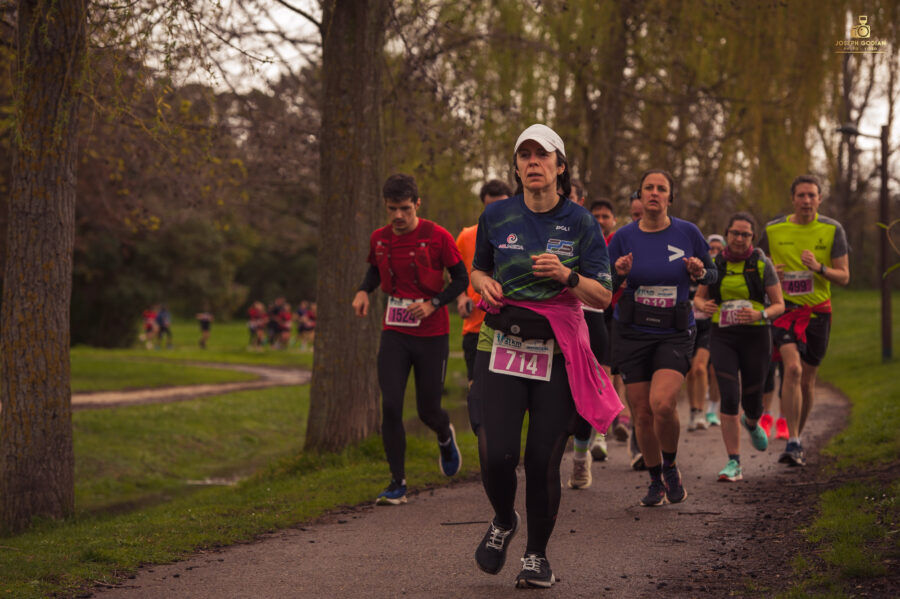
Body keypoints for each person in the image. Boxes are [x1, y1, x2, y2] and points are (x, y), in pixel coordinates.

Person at [469, 124, 618, 588]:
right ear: (516, 167)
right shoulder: (497, 216)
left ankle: (536, 556)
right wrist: (483, 284)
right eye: (525, 155)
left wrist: (567, 276)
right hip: (502, 344)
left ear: (560, 166)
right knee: (496, 453)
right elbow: (478, 269)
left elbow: (603, 295)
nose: (533, 162)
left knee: (540, 459)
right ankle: (503, 519)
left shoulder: (581, 222)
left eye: (543, 154)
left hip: (556, 351)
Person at [352, 173, 468, 506]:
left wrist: (434, 303)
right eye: (392, 209)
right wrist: (363, 291)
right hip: (395, 332)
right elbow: (374, 270)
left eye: (405, 208)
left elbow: (461, 279)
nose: (398, 215)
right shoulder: (379, 238)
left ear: (417, 204)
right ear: (385, 206)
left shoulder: (438, 236)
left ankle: (444, 435)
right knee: (390, 405)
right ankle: (397, 483)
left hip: (432, 334)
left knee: (428, 410)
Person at [608, 169, 717, 507]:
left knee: (663, 404)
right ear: (639, 196)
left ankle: (670, 466)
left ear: (670, 197)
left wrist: (700, 272)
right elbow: (603, 285)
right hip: (633, 331)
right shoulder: (623, 237)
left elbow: (713, 273)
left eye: (661, 188)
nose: (654, 193)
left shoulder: (688, 232)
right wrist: (619, 274)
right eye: (648, 188)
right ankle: (655, 478)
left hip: (673, 331)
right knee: (641, 413)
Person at [759, 174, 849, 466]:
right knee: (793, 369)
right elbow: (754, 268)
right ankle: (793, 440)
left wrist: (819, 268)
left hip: (818, 312)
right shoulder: (773, 229)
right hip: (785, 309)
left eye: (812, 195)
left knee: (808, 379)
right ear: (793, 199)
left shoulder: (833, 229)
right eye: (801, 195)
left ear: (820, 199)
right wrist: (769, 273)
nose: (806, 200)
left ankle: (796, 436)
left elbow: (844, 276)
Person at [694, 212, 785, 481]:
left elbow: (779, 304)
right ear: (727, 234)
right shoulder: (715, 264)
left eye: (745, 234)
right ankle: (734, 462)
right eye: (735, 233)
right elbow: (698, 298)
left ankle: (752, 421)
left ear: (752, 237)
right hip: (723, 335)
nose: (739, 238)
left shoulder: (762, 264)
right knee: (730, 395)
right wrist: (704, 306)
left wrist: (761, 314)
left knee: (753, 398)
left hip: (756, 336)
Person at [456, 180, 512, 394]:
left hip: (511, 326)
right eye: (491, 207)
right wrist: (461, 297)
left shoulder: (524, 236)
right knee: (477, 391)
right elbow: (456, 273)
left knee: (507, 394)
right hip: (476, 326)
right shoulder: (467, 236)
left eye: (502, 206)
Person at [685, 234, 726, 431]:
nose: (715, 252)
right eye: (711, 249)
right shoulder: (686, 270)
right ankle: (693, 411)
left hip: (708, 326)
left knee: (701, 368)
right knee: (690, 372)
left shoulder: (715, 274)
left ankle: (703, 411)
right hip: (686, 325)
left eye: (719, 249)